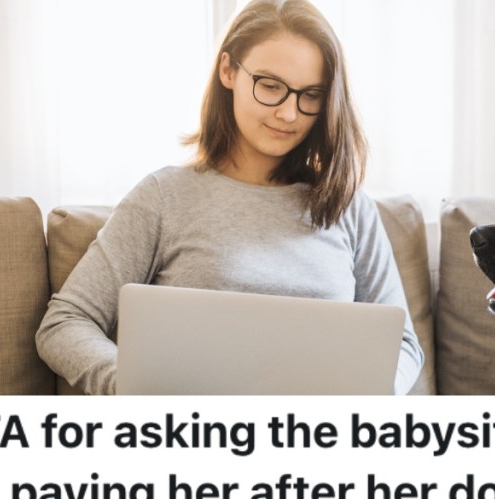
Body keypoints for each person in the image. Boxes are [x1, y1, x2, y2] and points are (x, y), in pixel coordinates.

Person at [36, 0, 424, 395]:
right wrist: (138, 388)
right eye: (270, 86)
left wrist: (369, 403)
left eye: (310, 94)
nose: (290, 113)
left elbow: (405, 346)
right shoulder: (164, 196)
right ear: (228, 70)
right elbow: (65, 322)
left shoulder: (349, 207)